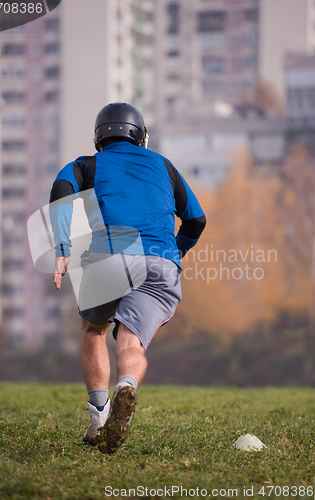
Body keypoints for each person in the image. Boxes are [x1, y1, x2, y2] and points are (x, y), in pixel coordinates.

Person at [49, 103, 206, 455]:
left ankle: (99, 418)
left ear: (98, 138)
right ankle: (127, 384)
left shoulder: (88, 164)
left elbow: (62, 190)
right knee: (131, 341)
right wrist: (173, 254)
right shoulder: (165, 166)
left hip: (111, 254)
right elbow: (196, 221)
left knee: (94, 331)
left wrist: (62, 248)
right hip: (160, 261)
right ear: (142, 137)